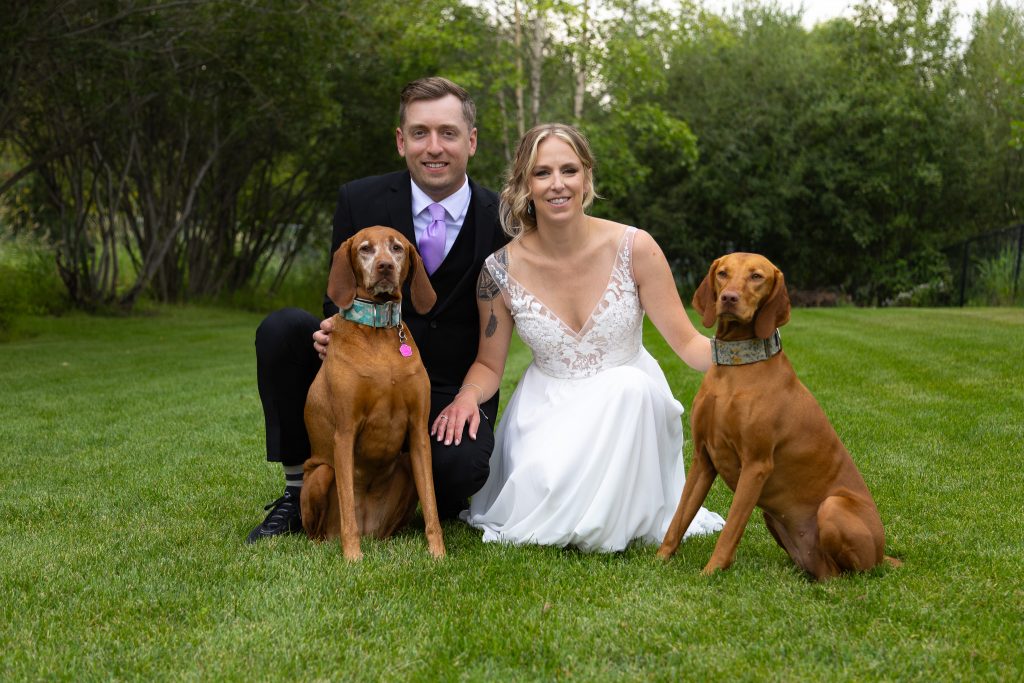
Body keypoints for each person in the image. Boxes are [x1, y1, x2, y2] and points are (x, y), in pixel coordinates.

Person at [433, 123, 725, 552]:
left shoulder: (635, 248)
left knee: (628, 387)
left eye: (568, 170)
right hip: (547, 411)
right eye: (542, 173)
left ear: (586, 176)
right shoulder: (498, 272)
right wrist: (465, 397)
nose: (557, 185)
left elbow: (688, 345)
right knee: (548, 487)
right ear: (524, 184)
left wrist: (744, 352)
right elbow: (490, 364)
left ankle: (610, 518)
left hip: (633, 408)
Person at [247, 77, 508, 543]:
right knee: (283, 329)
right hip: (356, 364)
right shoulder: (359, 198)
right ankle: (296, 488)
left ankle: (421, 493)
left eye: (448, 133)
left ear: (471, 140)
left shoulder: (501, 216)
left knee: (460, 470)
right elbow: (340, 291)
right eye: (420, 132)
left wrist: (470, 396)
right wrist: (332, 327)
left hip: (443, 385)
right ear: (400, 140)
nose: (434, 147)